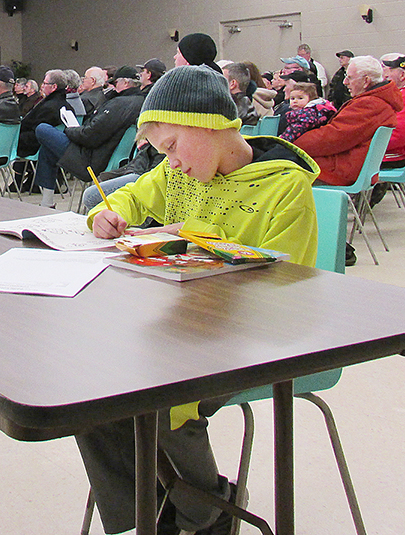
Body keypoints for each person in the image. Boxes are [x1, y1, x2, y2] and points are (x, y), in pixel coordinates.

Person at [81, 65, 319, 535]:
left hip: (252, 336)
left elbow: (290, 280)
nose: (169, 162)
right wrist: (104, 215)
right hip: (184, 324)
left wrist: (191, 236)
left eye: (171, 146)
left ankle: (206, 513)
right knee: (89, 395)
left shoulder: (285, 188)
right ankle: (151, 514)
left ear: (212, 124)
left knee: (162, 396)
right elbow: (128, 196)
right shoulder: (178, 176)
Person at [34, 66, 144, 208]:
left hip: (90, 160)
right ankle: (46, 202)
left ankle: (47, 201)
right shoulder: (139, 102)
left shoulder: (119, 104)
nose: (111, 86)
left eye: (115, 83)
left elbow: (89, 135)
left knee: (42, 129)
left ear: (126, 83)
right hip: (108, 157)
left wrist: (69, 130)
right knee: (48, 146)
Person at [295, 55, 402, 186]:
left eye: (349, 78)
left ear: (366, 81)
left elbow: (331, 138)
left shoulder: (369, 104)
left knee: (281, 165)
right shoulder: (378, 101)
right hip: (352, 166)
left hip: (343, 171)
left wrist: (293, 144)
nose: (345, 82)